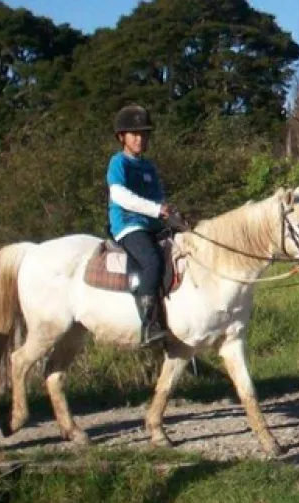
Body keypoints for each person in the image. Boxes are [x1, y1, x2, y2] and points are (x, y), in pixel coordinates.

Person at [106, 104, 188, 348]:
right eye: (134, 134)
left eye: (144, 134)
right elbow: (120, 195)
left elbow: (159, 199)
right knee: (152, 261)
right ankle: (149, 325)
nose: (140, 139)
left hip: (153, 225)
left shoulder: (149, 167)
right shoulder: (118, 163)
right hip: (128, 226)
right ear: (122, 137)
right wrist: (156, 210)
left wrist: (173, 215)